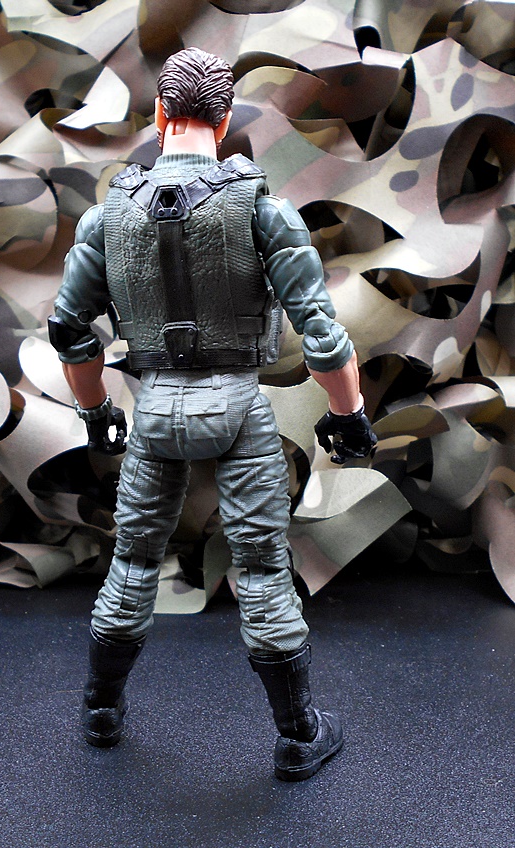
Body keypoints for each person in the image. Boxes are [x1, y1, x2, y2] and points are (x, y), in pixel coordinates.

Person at [49, 47, 376, 782]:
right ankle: (297, 733)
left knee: (133, 560)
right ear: (224, 120)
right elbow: (321, 333)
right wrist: (348, 413)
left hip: (155, 410)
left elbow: (69, 329)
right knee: (260, 568)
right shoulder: (261, 209)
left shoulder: (109, 215)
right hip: (237, 407)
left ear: (158, 114)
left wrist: (95, 410)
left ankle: (100, 709)